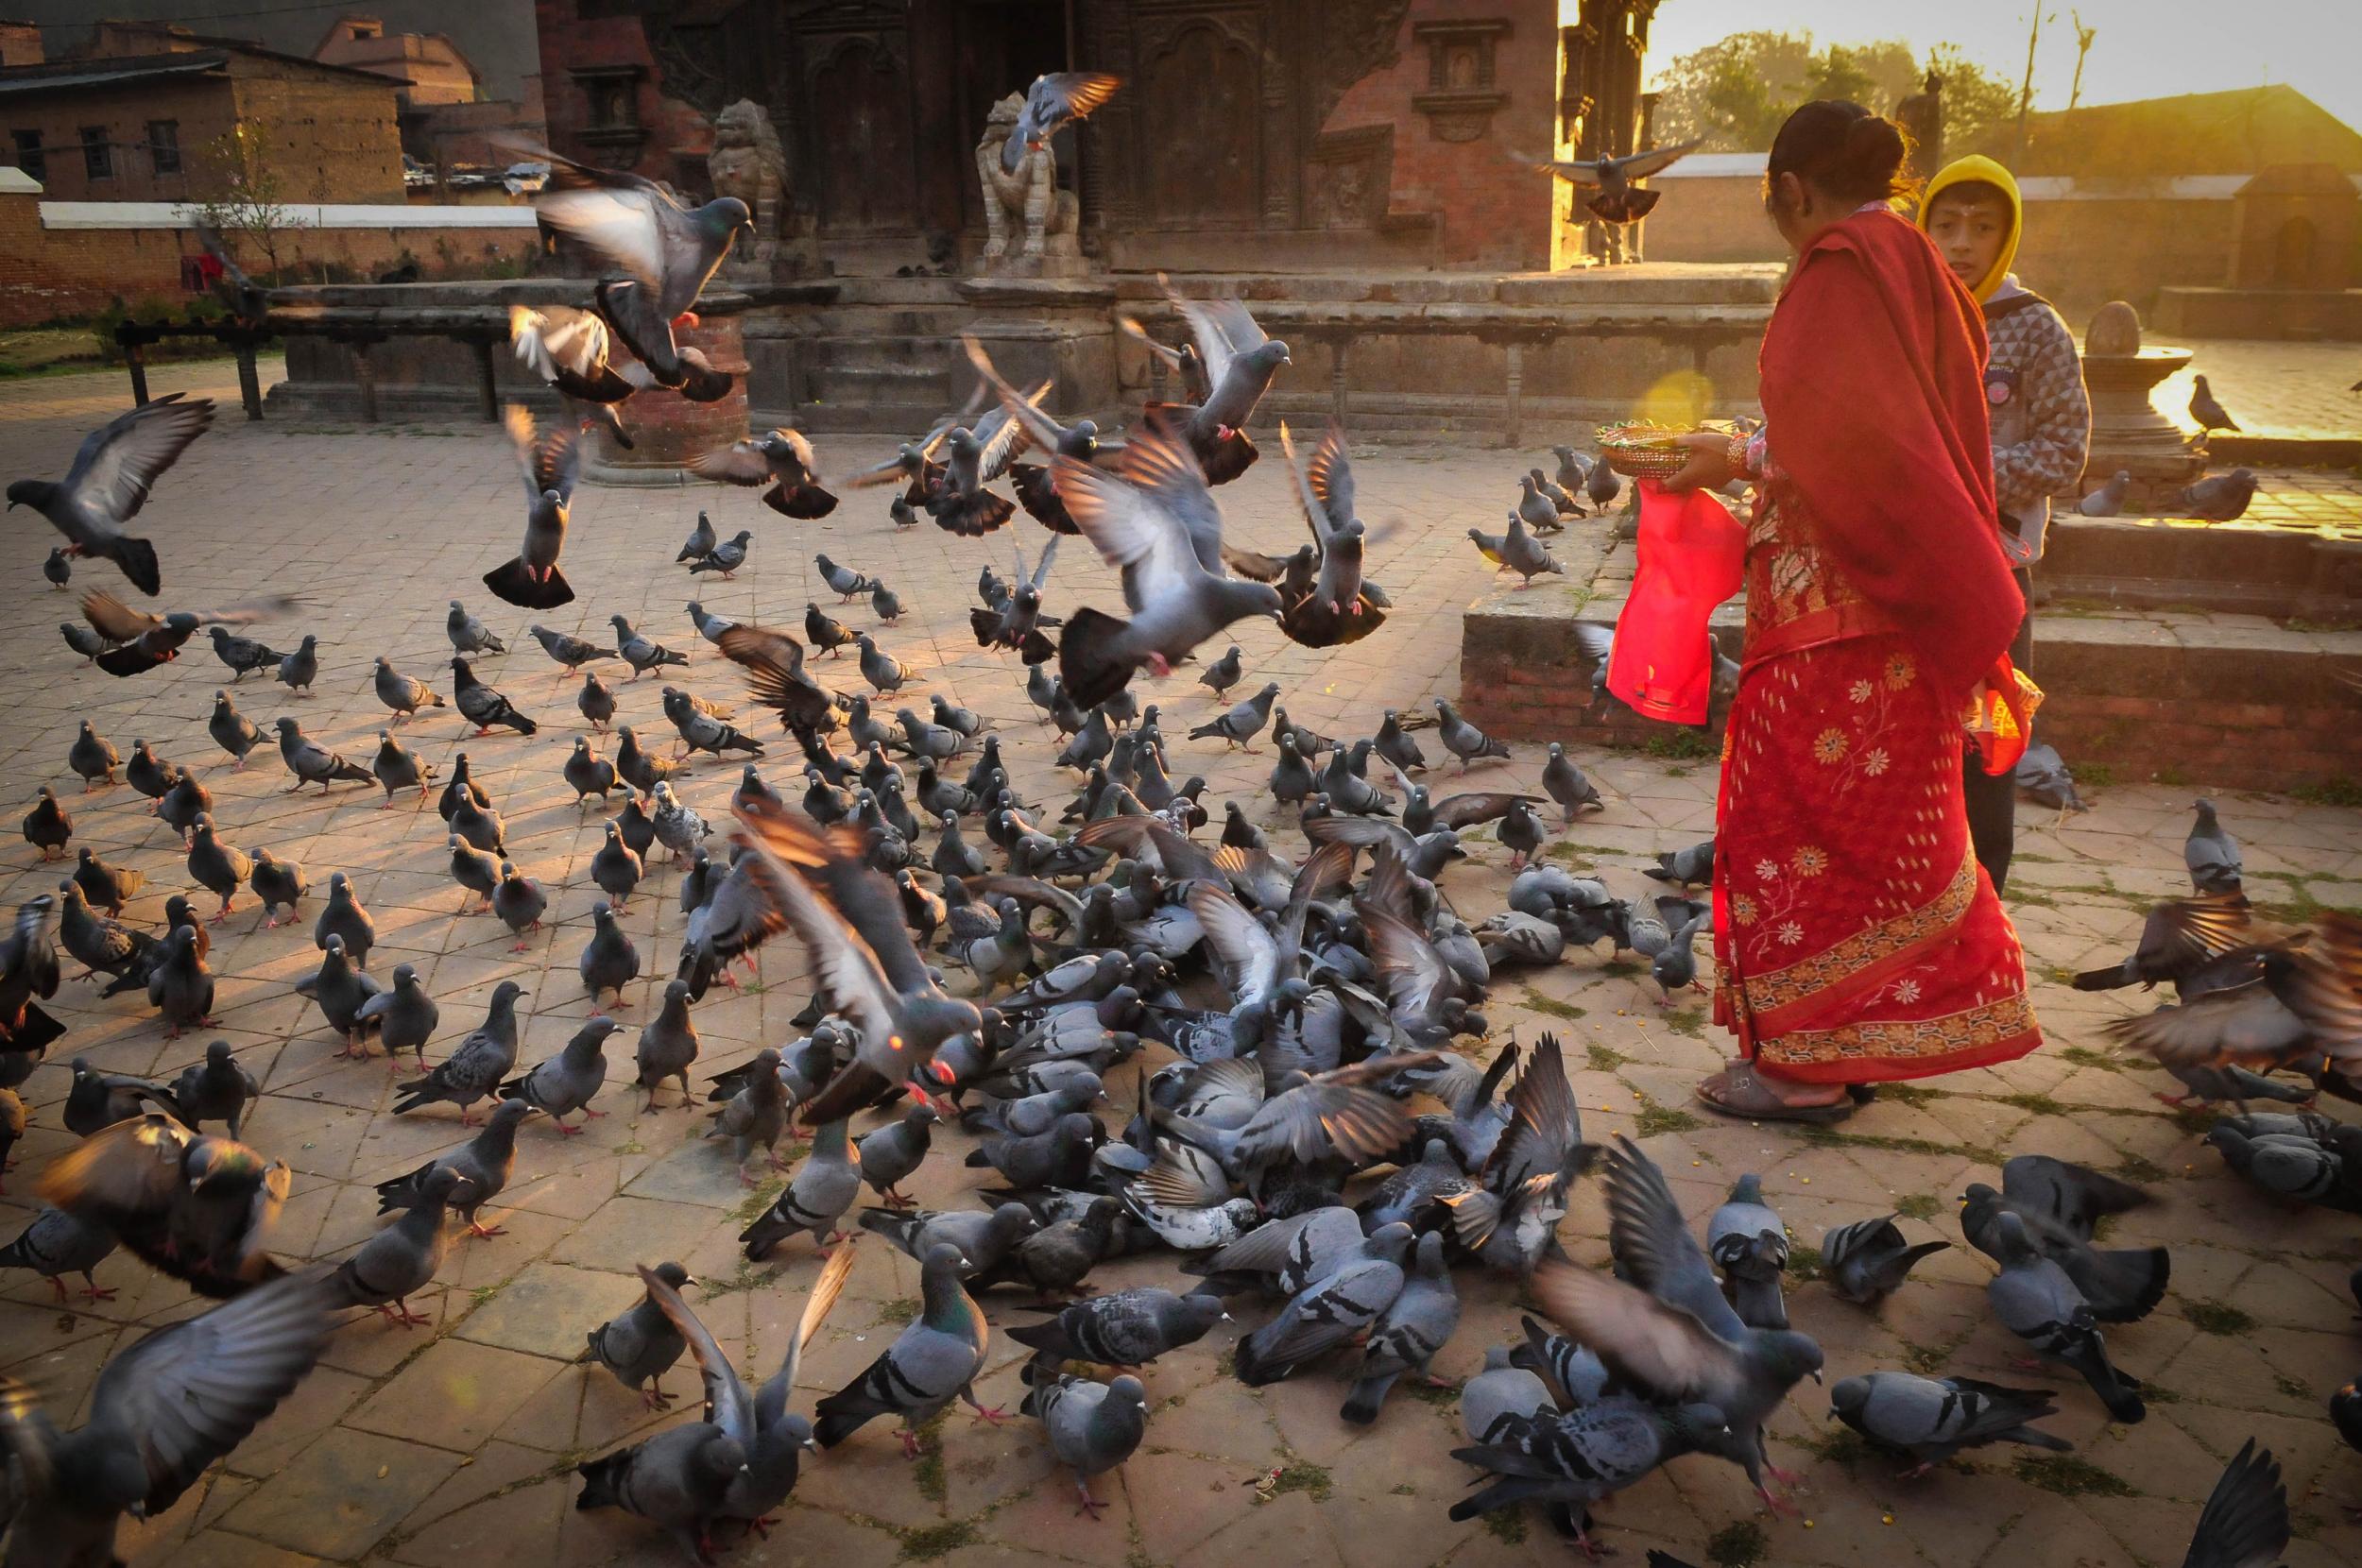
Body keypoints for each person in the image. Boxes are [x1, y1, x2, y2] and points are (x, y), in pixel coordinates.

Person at [1660, 101, 2042, 1122]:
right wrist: (1751, 446)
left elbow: (1855, 448)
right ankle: (1857, 1039)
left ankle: (1803, 1068)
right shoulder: (1910, 258)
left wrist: (1734, 456)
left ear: (1788, 189)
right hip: (1899, 603)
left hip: (1840, 619)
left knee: (1793, 830)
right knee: (1880, 839)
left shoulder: (1839, 265)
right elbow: (1876, 431)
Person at [1917, 155, 2089, 893]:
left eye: (1983, 227)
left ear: (2008, 235)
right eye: (1946, 224)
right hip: (1906, 566)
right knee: (1907, 741)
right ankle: (1911, 900)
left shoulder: (2035, 329)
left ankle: (1984, 904)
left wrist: (1961, 478)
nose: (1962, 242)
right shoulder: (1906, 314)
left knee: (1986, 742)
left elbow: (2067, 451)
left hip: (1995, 568)